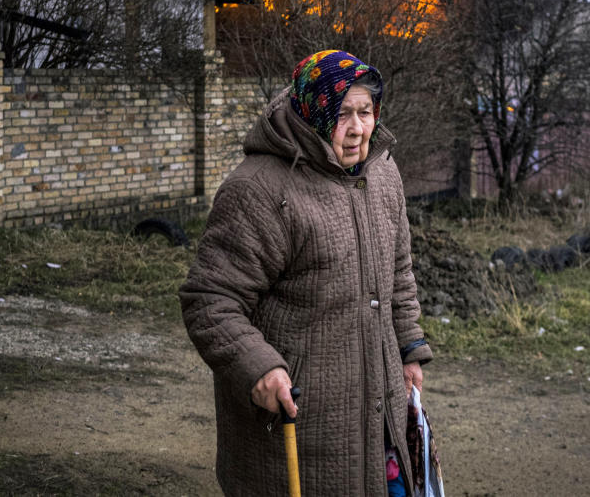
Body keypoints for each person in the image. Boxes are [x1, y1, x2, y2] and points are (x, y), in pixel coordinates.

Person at [180, 49, 433, 496]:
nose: (358, 129)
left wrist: (409, 346)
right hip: (299, 423)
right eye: (342, 114)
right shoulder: (258, 190)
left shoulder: (383, 173)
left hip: (382, 412)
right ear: (314, 111)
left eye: (366, 112)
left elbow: (398, 269)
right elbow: (211, 300)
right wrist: (258, 369)